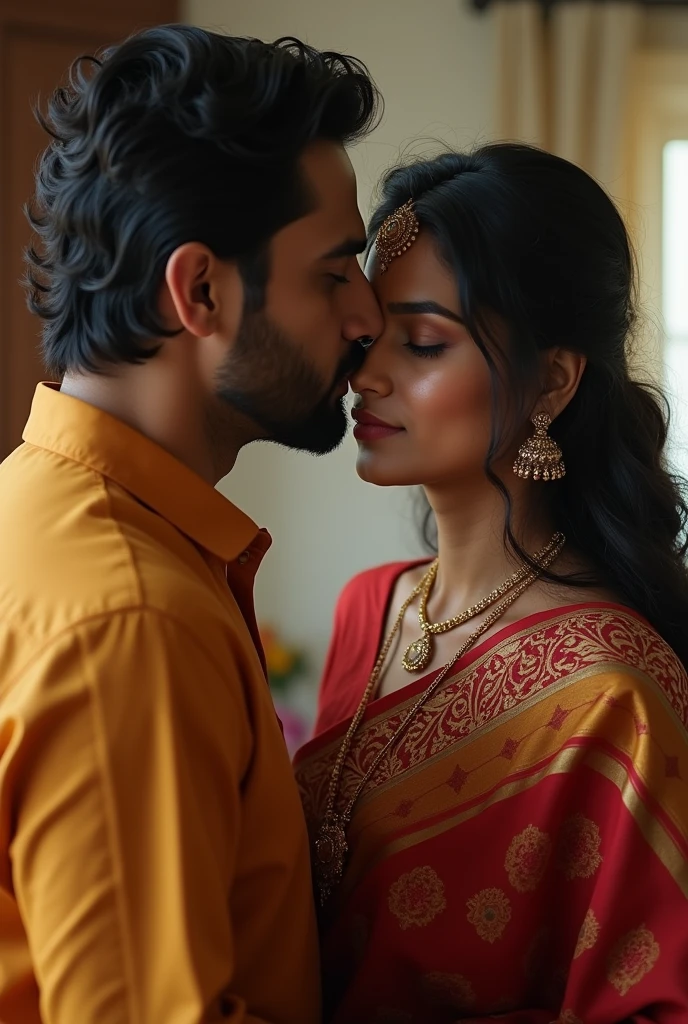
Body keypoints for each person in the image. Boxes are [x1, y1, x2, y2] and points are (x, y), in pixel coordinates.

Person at [0, 24, 383, 1024]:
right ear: (201, 289)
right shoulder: (130, 618)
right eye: (334, 273)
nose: (368, 318)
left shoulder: (34, 511)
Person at [295, 144, 688, 1023]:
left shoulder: (610, 693)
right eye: (368, 338)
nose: (367, 377)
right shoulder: (373, 609)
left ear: (551, 379)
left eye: (424, 342)